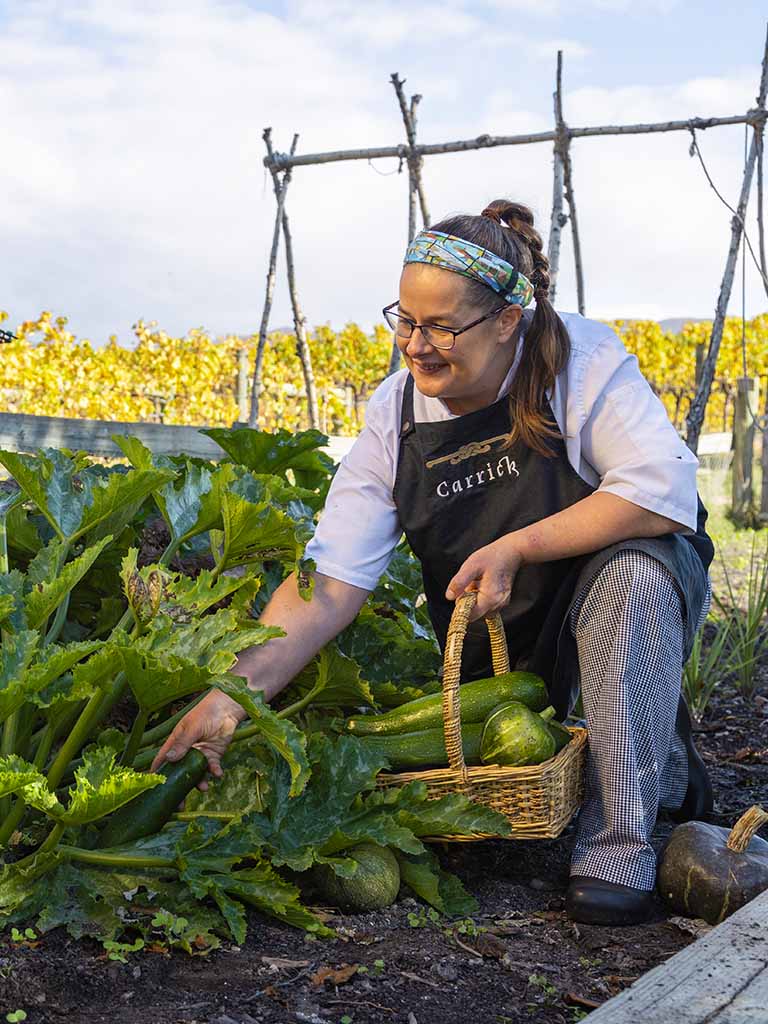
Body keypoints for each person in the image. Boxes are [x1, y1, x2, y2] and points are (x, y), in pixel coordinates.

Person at [152, 199, 715, 926]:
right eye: (406, 320)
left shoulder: (582, 364)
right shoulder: (397, 416)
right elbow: (326, 585)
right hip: (497, 636)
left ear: (508, 319)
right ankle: (644, 755)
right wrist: (233, 696)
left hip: (612, 607)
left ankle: (621, 840)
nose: (416, 345)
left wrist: (518, 544)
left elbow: (662, 491)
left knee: (634, 570)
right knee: (523, 734)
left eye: (442, 326)